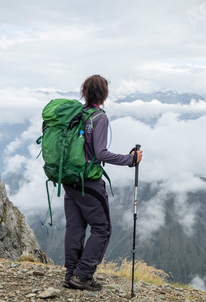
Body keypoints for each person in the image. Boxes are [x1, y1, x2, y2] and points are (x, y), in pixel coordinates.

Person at [63, 75, 143, 291]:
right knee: (102, 229)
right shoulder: (99, 117)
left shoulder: (77, 114)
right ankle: (82, 275)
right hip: (89, 182)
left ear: (85, 92)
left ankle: (70, 274)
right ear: (104, 94)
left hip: (69, 180)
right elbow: (101, 153)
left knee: (75, 228)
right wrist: (130, 160)